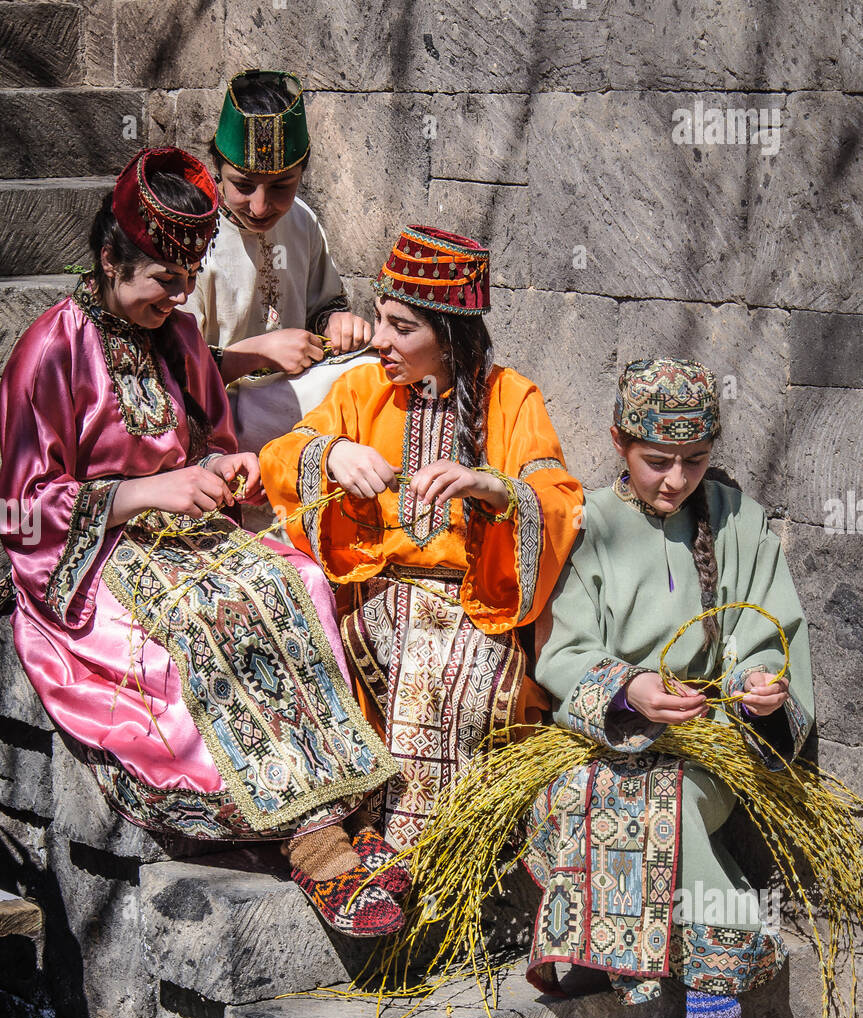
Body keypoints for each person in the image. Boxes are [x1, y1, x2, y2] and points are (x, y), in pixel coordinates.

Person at [0, 146, 406, 939]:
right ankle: (303, 835)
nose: (177, 297)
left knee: (290, 580)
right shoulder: (52, 349)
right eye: (162, 279)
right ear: (111, 256)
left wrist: (231, 466)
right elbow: (17, 511)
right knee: (198, 615)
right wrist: (143, 493)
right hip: (97, 555)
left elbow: (212, 439)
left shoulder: (181, 336)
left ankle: (334, 805)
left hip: (189, 532)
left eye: (185, 281)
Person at [523, 358, 814, 1018]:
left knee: (671, 800)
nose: (674, 480)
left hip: (705, 748)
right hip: (601, 739)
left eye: (693, 461)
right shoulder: (586, 524)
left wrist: (761, 689)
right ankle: (613, 953)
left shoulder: (736, 520)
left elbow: (767, 634)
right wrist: (628, 690)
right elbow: (560, 650)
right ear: (620, 443)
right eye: (657, 461)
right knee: (586, 791)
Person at [259, 226, 585, 852]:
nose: (378, 340)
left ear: (451, 337)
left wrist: (491, 487)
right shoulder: (361, 389)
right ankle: (380, 841)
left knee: (446, 668)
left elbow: (558, 500)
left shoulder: (512, 400)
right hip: (375, 598)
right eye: (380, 319)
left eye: (401, 328)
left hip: (475, 608)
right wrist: (331, 454)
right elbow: (281, 454)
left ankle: (414, 852)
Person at [184, 69, 374, 455]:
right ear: (217, 169)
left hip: (291, 397)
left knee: (374, 369)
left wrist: (336, 323)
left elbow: (326, 304)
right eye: (242, 185)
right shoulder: (190, 233)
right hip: (214, 408)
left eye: (281, 188)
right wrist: (257, 353)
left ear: (302, 175)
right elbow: (172, 366)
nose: (259, 206)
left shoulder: (301, 220)